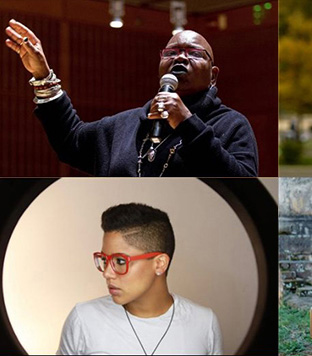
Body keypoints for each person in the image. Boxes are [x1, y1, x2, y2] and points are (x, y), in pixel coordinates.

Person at [4, 19, 258, 177]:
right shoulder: (126, 124)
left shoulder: (232, 125)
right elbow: (72, 140)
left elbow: (243, 188)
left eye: (194, 53)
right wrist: (43, 75)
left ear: (213, 76)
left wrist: (187, 124)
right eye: (172, 52)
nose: (180, 57)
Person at [57, 203, 222, 355]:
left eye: (120, 261)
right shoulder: (84, 319)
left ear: (159, 264)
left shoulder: (204, 322)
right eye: (105, 260)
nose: (107, 273)